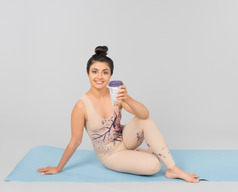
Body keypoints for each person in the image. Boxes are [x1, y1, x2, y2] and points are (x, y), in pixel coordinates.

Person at [37, 46, 199, 183]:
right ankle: (148, 153)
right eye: (95, 71)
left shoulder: (116, 94)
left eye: (105, 72)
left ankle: (173, 169)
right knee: (154, 166)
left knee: (145, 120)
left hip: (125, 139)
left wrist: (127, 97)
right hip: (111, 154)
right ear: (87, 73)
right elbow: (75, 141)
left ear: (110, 75)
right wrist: (58, 168)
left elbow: (144, 114)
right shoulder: (81, 106)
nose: (99, 77)